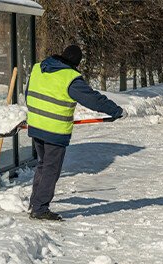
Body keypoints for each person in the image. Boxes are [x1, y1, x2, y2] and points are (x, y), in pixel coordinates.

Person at [26, 45, 126, 221]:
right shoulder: (69, 78)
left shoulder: (38, 68)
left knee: (43, 165)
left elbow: (29, 93)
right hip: (53, 130)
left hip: (35, 125)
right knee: (50, 168)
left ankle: (35, 203)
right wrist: (115, 110)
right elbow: (93, 99)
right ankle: (40, 209)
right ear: (76, 63)